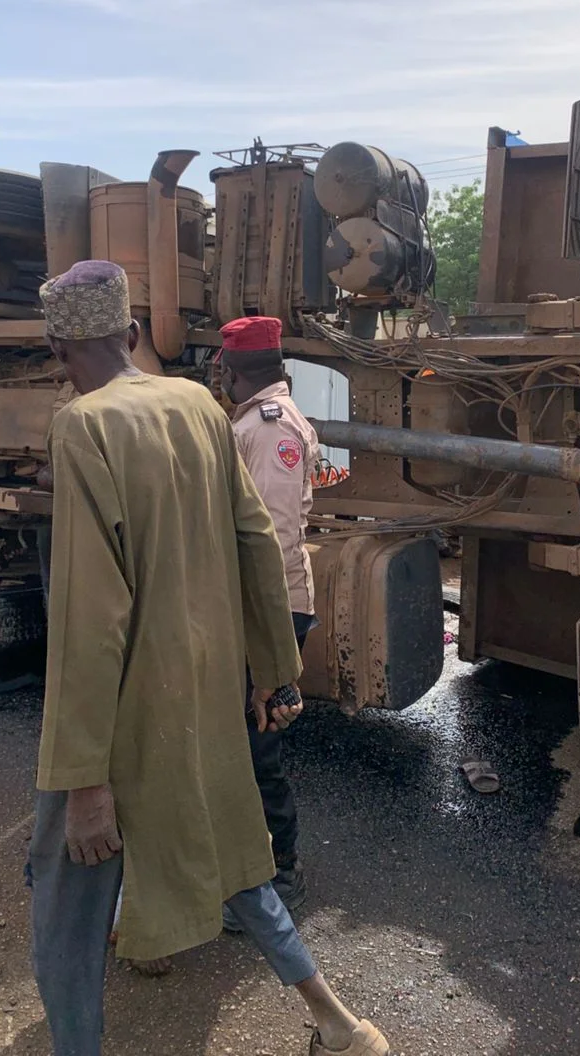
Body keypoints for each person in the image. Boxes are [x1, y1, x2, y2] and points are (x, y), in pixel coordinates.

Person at [28, 260, 388, 1056]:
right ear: (130, 336)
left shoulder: (82, 427)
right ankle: (338, 1022)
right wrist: (273, 672)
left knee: (65, 901)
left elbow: (92, 614)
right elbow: (258, 539)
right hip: (208, 684)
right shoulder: (197, 404)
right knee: (235, 853)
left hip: (125, 706)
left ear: (59, 351)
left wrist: (86, 778)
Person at [219, 316, 319, 924]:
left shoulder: (269, 428)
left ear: (233, 372)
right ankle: (250, 866)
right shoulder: (259, 421)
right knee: (243, 742)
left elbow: (274, 536)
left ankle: (282, 875)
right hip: (264, 603)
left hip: (274, 604)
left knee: (258, 747)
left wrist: (264, 635)